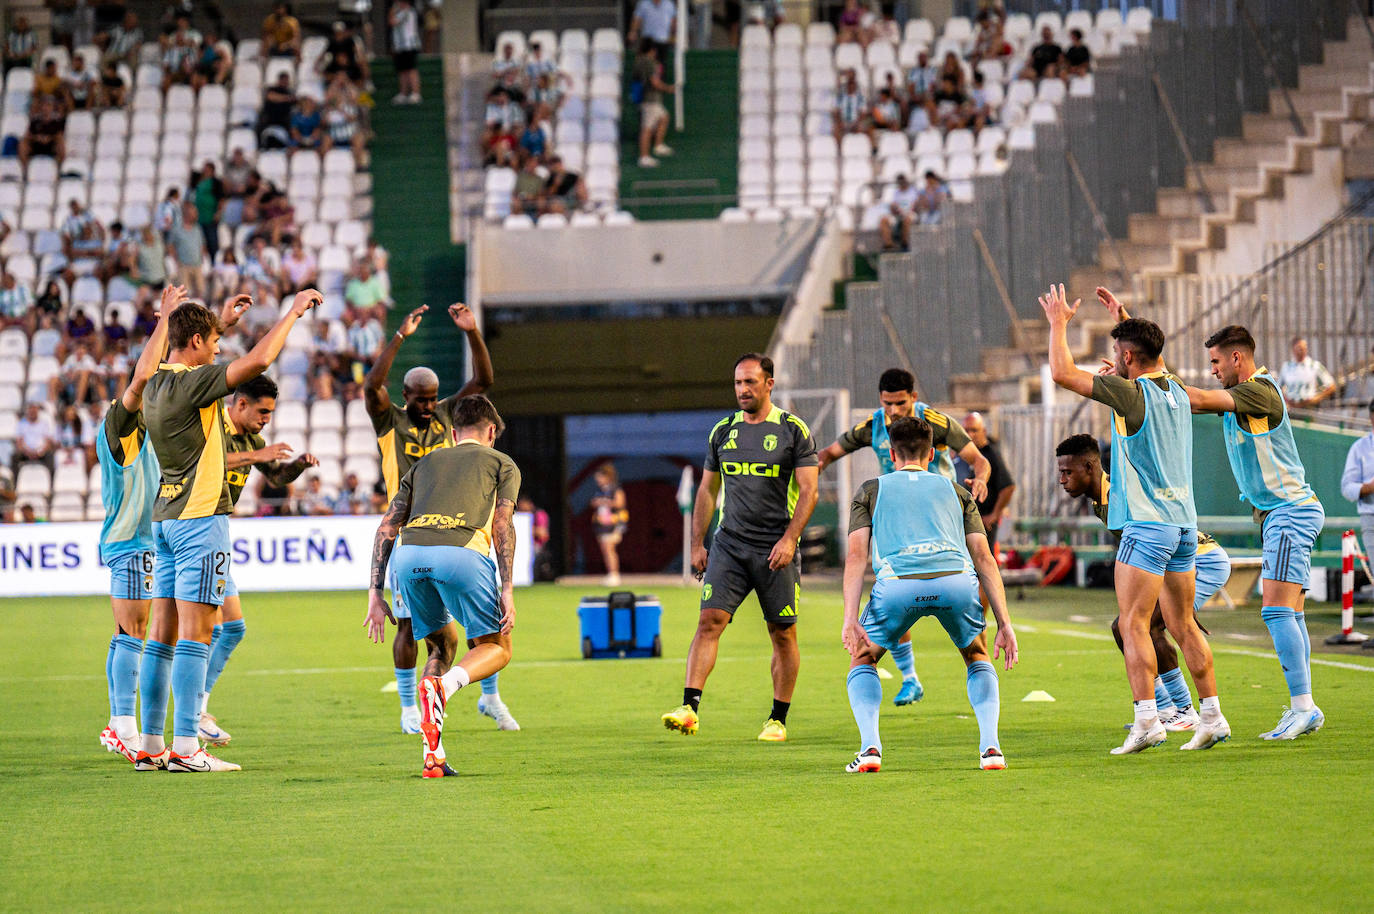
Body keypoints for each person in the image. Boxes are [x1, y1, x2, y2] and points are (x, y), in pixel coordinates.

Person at [137, 287, 321, 773]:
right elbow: (260, 359)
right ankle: (186, 748)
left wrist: (220, 322)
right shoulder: (193, 384)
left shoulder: (154, 381)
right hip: (201, 521)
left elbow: (190, 344)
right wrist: (292, 312)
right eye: (212, 342)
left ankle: (152, 745)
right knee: (199, 635)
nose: (218, 349)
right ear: (195, 342)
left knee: (161, 639)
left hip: (166, 516)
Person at [1041, 283, 1228, 754]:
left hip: (1147, 524)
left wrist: (1059, 323)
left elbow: (1062, 372)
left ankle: (1148, 720)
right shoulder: (1179, 390)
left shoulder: (1130, 394)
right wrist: (1126, 319)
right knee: (1183, 625)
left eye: (1119, 352)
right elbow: (1146, 354)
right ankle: (1212, 716)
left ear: (1126, 356)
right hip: (1185, 524)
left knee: (1133, 625)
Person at [363, 303, 512, 732]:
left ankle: (490, 697)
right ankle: (411, 708)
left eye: (433, 399)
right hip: (411, 529)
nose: (429, 407)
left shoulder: (448, 415)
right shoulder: (390, 420)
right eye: (420, 400)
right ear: (405, 397)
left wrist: (472, 332)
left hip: (458, 526)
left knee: (482, 620)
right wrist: (399, 338)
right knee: (411, 626)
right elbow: (372, 385)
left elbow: (483, 383)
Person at [842, 416, 1018, 773]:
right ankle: (991, 749)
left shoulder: (870, 490)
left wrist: (849, 618)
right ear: (934, 452)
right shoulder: (957, 491)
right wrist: (1004, 622)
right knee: (976, 653)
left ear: (891, 453)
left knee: (863, 659)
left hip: (897, 586)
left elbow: (856, 557)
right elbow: (984, 558)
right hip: (955, 581)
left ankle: (870, 748)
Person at [662, 353, 819, 741]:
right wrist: (697, 543)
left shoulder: (793, 430)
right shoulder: (722, 432)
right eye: (737, 383)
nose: (742, 390)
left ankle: (777, 720)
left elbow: (810, 491)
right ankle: (689, 708)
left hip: (775, 547)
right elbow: (707, 489)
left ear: (769, 384)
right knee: (708, 622)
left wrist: (789, 540)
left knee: (782, 633)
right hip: (729, 544)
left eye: (750, 382)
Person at [1184, 323, 1327, 740]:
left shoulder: (1258, 390)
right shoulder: (1246, 395)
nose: (1211, 370)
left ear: (1236, 359)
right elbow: (1190, 399)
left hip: (1289, 511)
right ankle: (1305, 708)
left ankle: (1303, 706)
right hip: (1285, 512)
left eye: (1215, 361)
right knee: (1292, 613)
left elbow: (1194, 399)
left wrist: (1144, 368)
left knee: (1276, 610)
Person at [816, 368, 992, 705]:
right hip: (896, 521)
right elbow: (829, 453)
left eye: (900, 403)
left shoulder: (936, 423)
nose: (893, 411)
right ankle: (910, 677)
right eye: (887, 404)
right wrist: (807, 473)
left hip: (941, 522)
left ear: (913, 397)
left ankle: (977, 649)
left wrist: (980, 478)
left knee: (970, 576)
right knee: (891, 588)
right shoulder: (873, 425)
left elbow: (978, 460)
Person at [365, 395, 520, 778]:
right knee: (495, 646)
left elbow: (387, 525)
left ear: (452, 433)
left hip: (409, 556)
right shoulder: (502, 462)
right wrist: (508, 586)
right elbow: (502, 523)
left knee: (441, 643)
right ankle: (446, 687)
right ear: (492, 431)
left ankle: (432, 753)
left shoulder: (425, 463)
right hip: (461, 552)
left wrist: (375, 592)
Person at [1055, 433, 1233, 732]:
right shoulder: (1104, 499)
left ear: (1089, 467)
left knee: (1144, 626)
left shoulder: (1118, 500)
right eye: (1060, 472)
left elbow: (1156, 549)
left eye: (1067, 472)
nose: (1062, 479)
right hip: (1181, 561)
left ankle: (1183, 710)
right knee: (1127, 626)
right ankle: (1168, 709)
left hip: (1201, 561)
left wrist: (1181, 602)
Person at [201, 373, 319, 745]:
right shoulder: (211, 425)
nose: (266, 419)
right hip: (196, 528)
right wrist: (256, 455)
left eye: (270, 413)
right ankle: (191, 715)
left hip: (217, 531)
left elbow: (277, 475)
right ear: (239, 404)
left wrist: (298, 465)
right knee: (206, 629)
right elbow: (202, 463)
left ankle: (195, 709)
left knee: (229, 628)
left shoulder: (253, 439)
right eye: (262, 412)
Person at [96, 287, 176, 765]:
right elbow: (145, 375)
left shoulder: (142, 432)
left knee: (129, 631)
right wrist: (165, 319)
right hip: (132, 541)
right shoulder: (121, 429)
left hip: (137, 539)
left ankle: (118, 722)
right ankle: (125, 725)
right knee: (134, 630)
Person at [954, 411, 1016, 556]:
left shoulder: (990, 454)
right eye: (966, 431)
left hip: (982, 521)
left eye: (974, 430)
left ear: (984, 431)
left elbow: (1008, 486)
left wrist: (994, 514)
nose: (970, 435)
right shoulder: (963, 453)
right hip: (963, 521)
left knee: (984, 560)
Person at [1342, 400, 1374, 574]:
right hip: (1370, 514)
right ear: (1372, 418)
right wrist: (1368, 487)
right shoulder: (1359, 448)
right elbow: (1347, 487)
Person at [633, 40, 675, 168]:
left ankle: (658, 145)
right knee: (647, 128)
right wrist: (668, 88)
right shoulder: (648, 62)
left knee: (664, 117)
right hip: (650, 99)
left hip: (648, 99)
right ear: (652, 50)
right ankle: (644, 157)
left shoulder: (639, 61)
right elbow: (654, 81)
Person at [589, 462, 627, 586]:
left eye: (600, 477)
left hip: (613, 523)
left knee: (609, 548)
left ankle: (615, 575)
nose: (598, 480)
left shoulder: (615, 489)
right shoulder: (600, 490)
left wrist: (603, 502)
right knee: (605, 549)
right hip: (602, 524)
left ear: (607, 477)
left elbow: (620, 503)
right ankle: (611, 573)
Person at [1277, 337, 1337, 409]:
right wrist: (1285, 399)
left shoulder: (1314, 365)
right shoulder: (1287, 366)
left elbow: (1331, 386)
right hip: (1291, 407)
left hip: (1309, 407)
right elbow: (1278, 387)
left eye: (1304, 348)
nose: (1302, 351)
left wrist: (1317, 398)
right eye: (1299, 348)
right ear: (1293, 349)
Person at [388, 0, 422, 104]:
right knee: (402, 71)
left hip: (409, 46)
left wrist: (392, 10)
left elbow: (392, 21)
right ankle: (403, 93)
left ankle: (416, 93)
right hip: (400, 47)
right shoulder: (402, 12)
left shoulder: (407, 12)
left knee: (411, 70)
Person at [629, 0, 676, 65]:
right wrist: (633, 32)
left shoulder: (669, 4)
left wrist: (674, 36)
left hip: (663, 41)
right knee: (644, 63)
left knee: (660, 65)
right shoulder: (644, 3)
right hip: (647, 40)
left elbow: (673, 22)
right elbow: (637, 19)